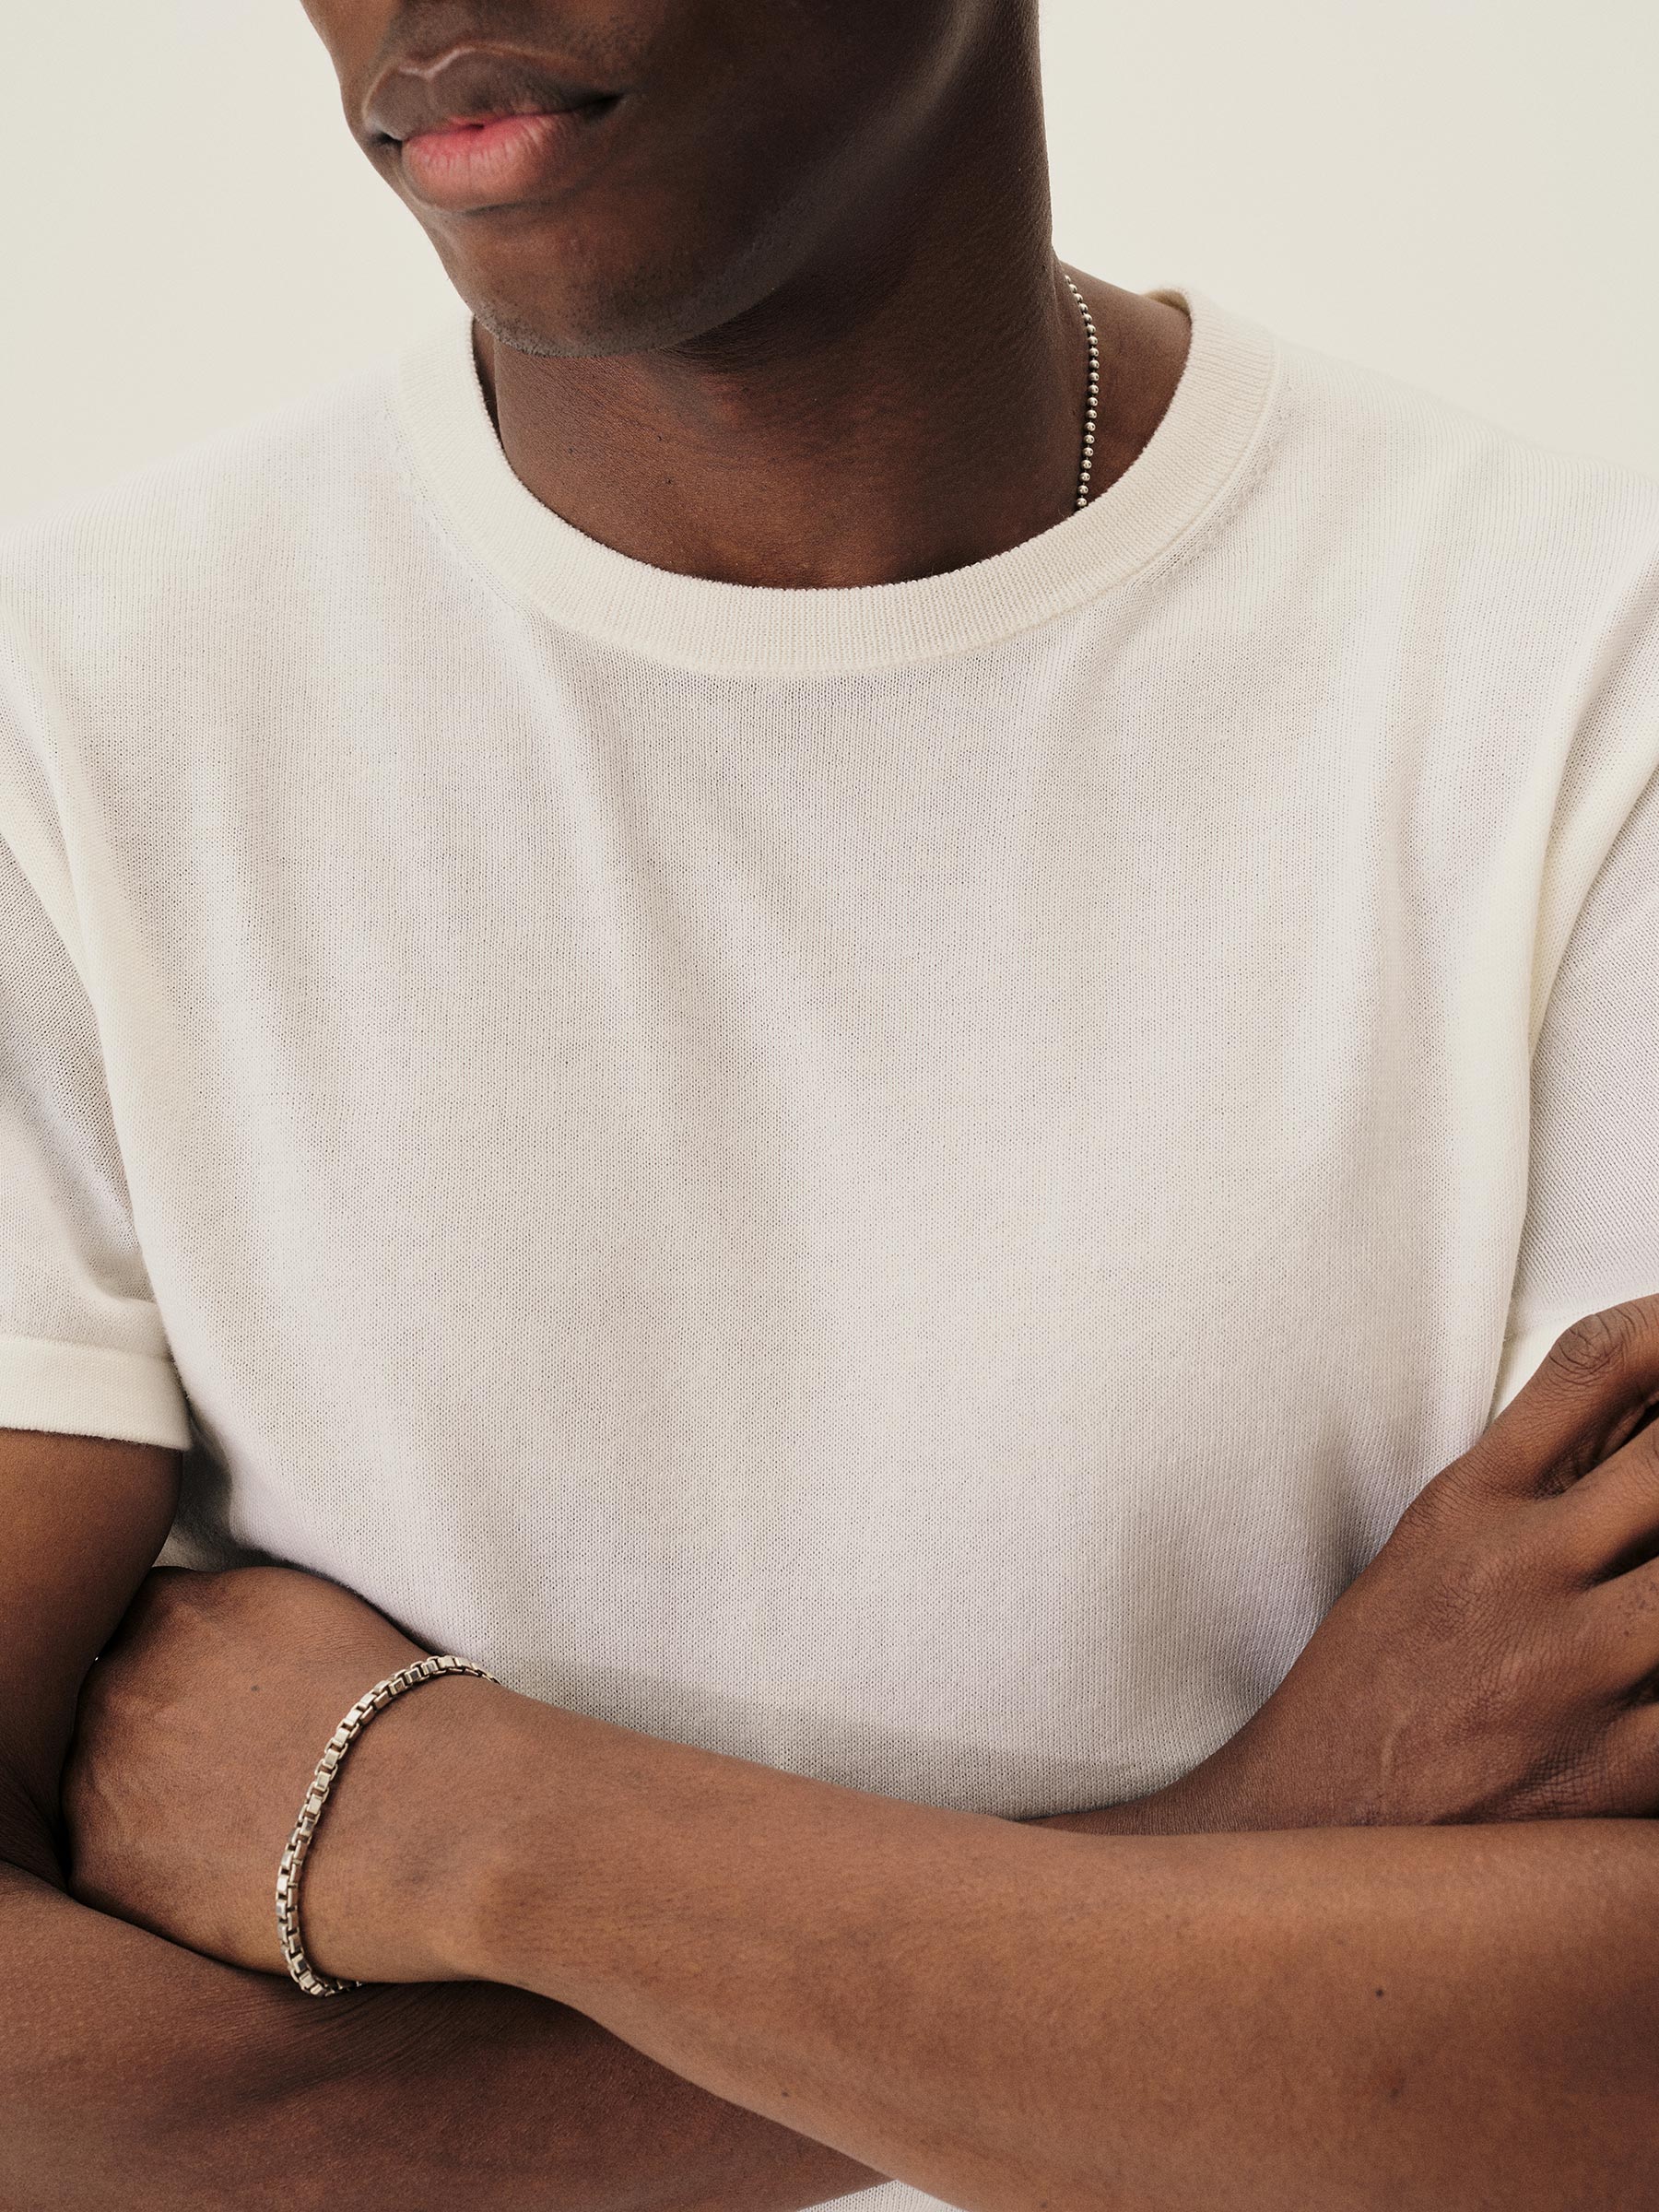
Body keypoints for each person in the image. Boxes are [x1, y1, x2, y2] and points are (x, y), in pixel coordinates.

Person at [3, 1, 1657, 2205]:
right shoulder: (75, 736)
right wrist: (1266, 1824)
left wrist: (477, 1831)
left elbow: (1621, 2054)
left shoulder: (1576, 686)